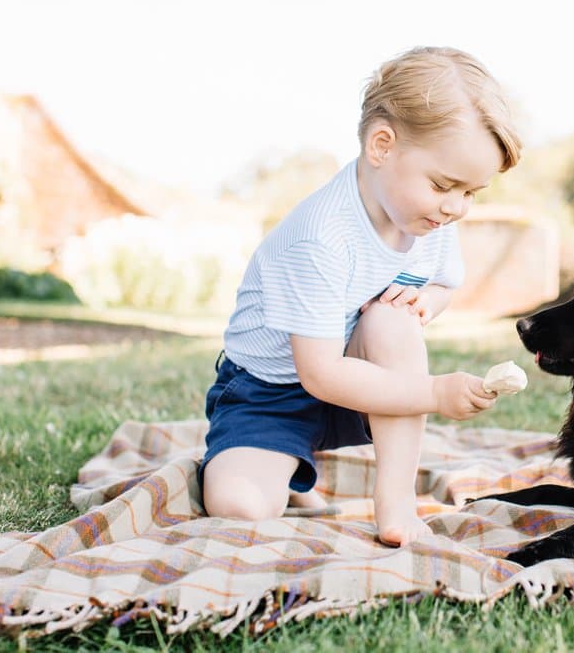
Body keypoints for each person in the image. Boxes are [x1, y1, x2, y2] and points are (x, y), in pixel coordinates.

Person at [200, 46, 522, 547]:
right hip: (271, 392)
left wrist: (424, 305)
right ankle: (281, 466)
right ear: (382, 145)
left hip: (361, 378)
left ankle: (395, 503)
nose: (457, 207)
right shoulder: (320, 237)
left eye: (471, 193)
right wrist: (436, 393)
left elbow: (441, 284)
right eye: (445, 185)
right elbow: (320, 373)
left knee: (393, 322)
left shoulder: (428, 217)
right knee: (240, 508)